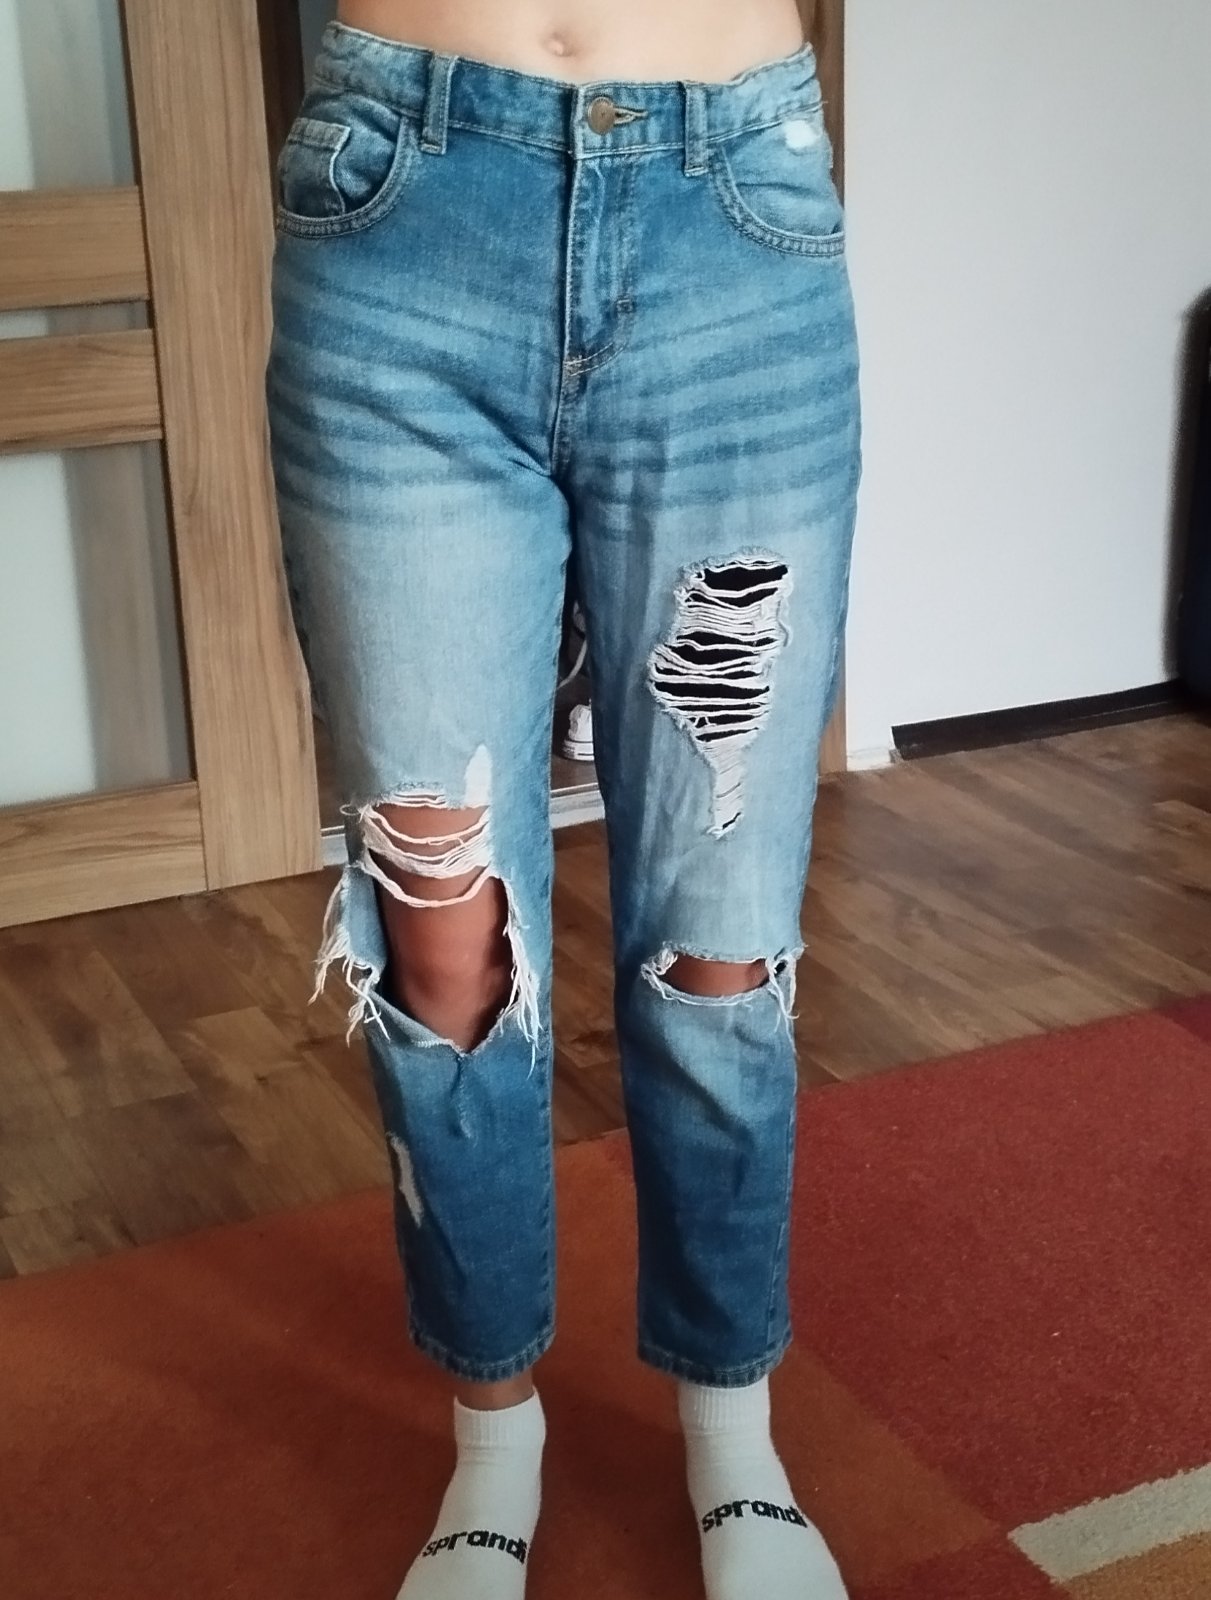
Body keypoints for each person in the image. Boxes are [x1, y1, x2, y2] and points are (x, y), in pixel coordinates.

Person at [265, 1, 861, 1594]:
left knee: (724, 937)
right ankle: (493, 1434)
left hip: (734, 226)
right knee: (439, 942)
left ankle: (732, 1430)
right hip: (400, 212)